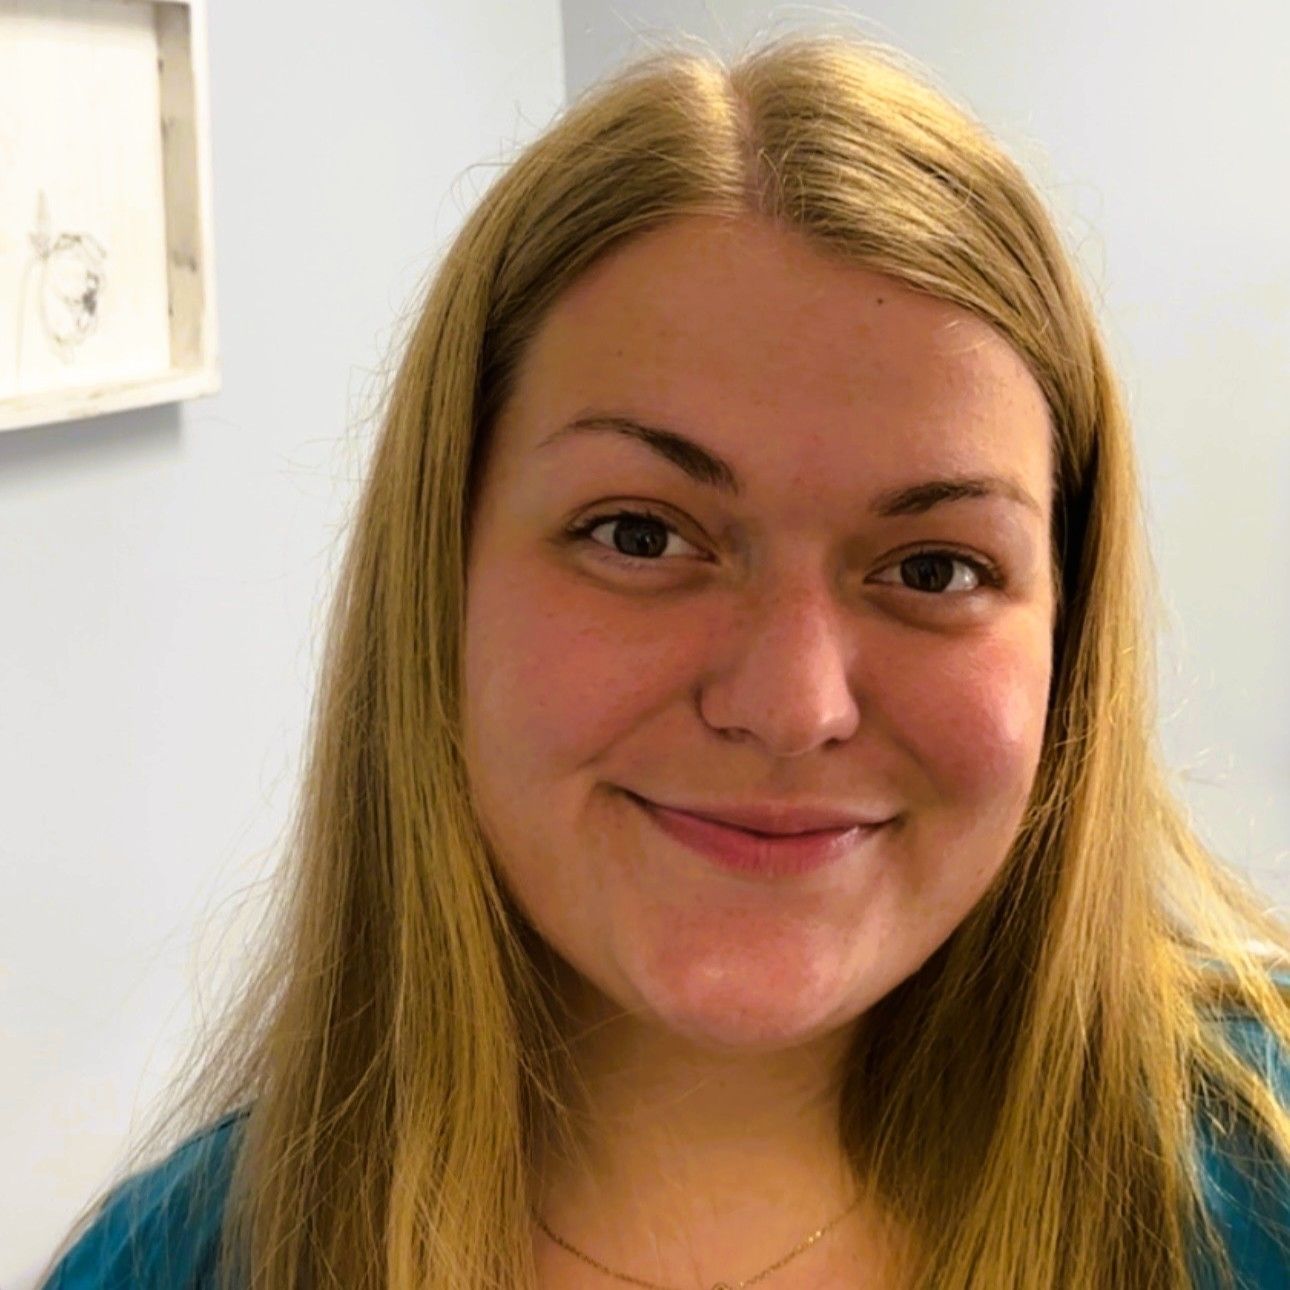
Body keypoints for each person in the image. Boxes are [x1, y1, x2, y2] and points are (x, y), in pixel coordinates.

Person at [37, 30, 1290, 1290]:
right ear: (439, 587)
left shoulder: (1265, 1182)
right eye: (640, 536)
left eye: (934, 569)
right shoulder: (176, 1265)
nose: (792, 706)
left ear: (1070, 633)